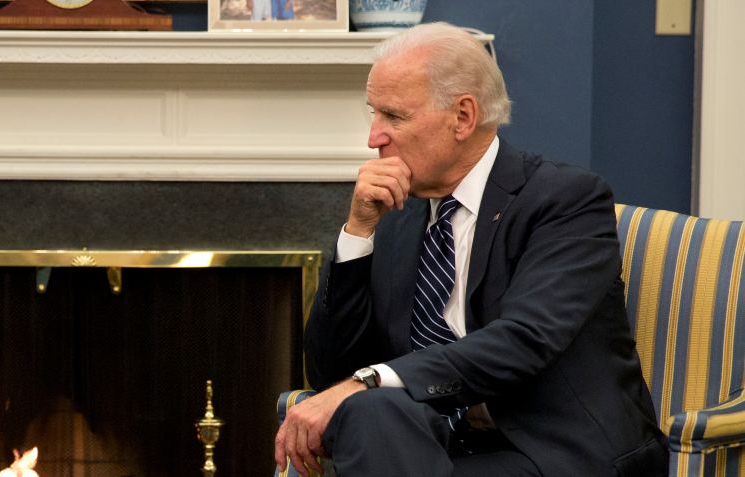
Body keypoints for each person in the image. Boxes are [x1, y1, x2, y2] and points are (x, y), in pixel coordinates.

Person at [274, 22, 669, 476]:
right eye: (373, 114)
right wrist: (358, 232)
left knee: (370, 404)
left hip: (548, 451)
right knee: (368, 412)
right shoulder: (398, 216)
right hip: (431, 450)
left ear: (462, 116)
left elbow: (524, 340)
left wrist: (370, 380)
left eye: (394, 116)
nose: (374, 137)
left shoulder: (564, 200)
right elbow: (331, 373)